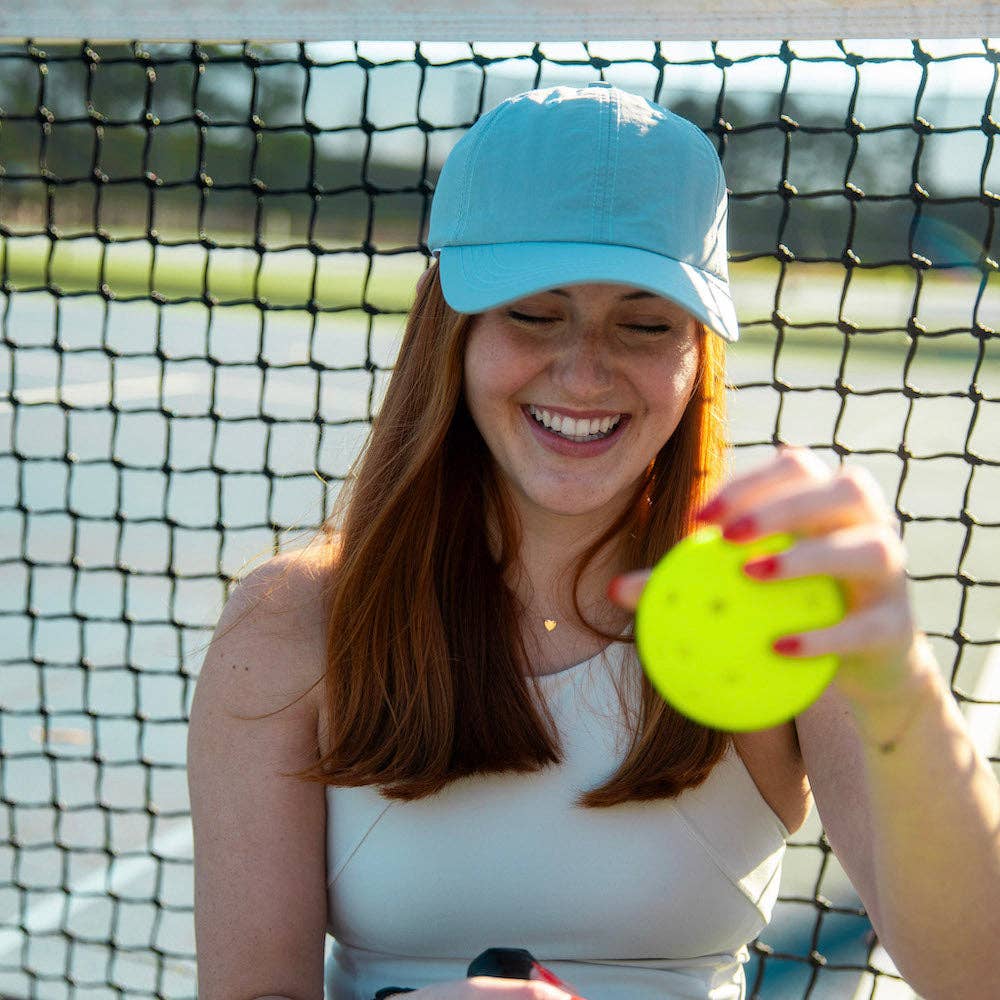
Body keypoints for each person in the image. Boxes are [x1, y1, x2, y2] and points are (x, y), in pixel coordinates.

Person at [186, 83, 1000, 1000]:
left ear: (697, 358)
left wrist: (898, 683)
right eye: (535, 313)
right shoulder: (291, 623)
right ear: (450, 329)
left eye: (646, 324)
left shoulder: (775, 606)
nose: (585, 371)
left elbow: (979, 975)